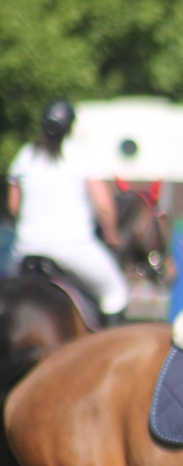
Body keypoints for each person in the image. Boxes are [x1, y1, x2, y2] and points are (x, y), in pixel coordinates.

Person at [6, 98, 129, 325]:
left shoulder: (25, 155)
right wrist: (111, 234)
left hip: (26, 248)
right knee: (116, 294)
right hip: (74, 247)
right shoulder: (81, 154)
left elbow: (14, 208)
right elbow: (103, 205)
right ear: (70, 126)